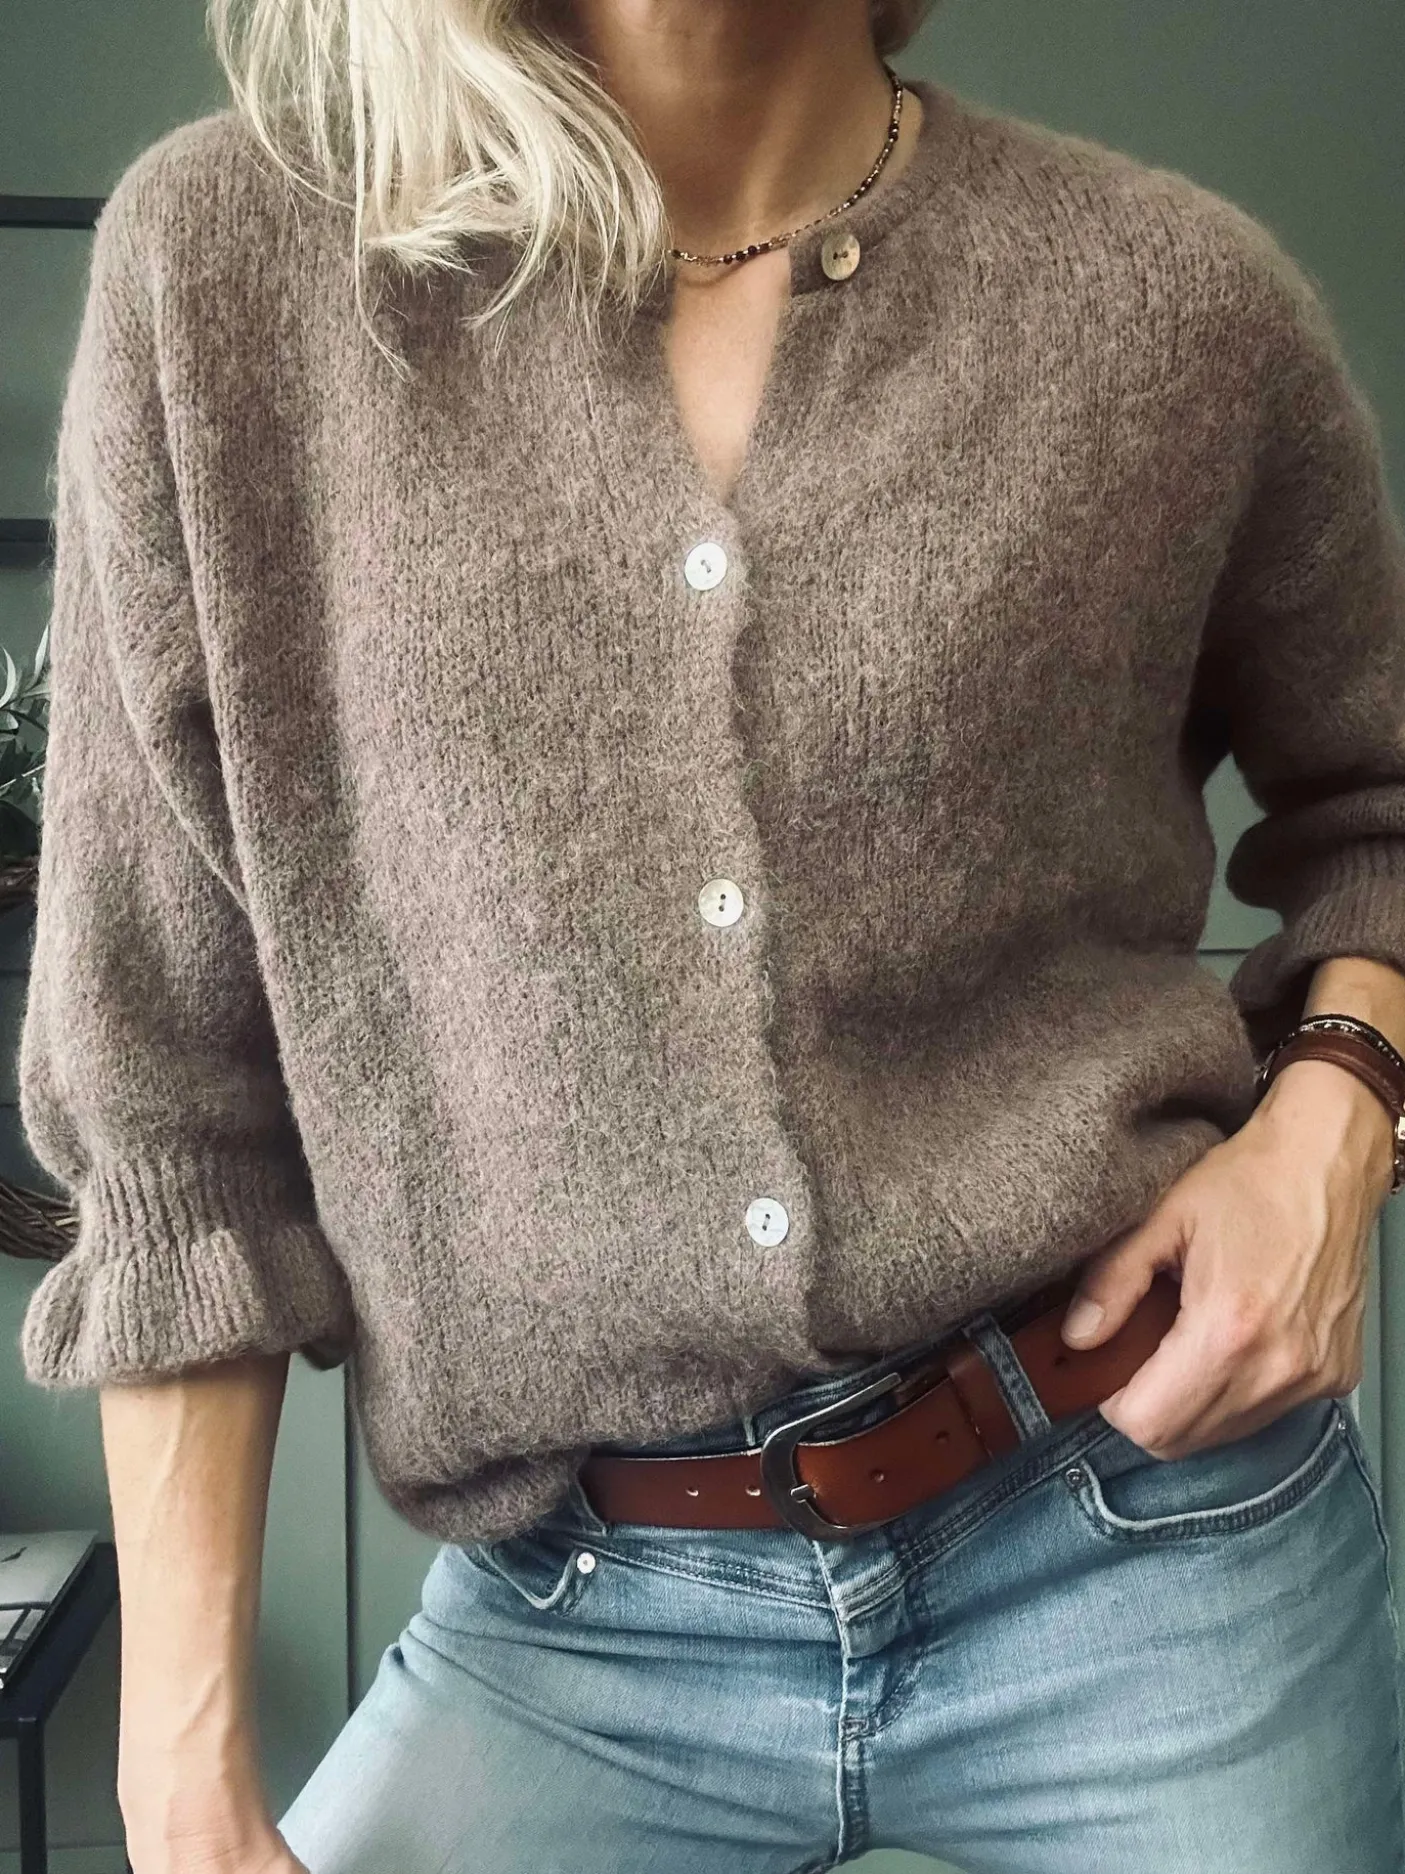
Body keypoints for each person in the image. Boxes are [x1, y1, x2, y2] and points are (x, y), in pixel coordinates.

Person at [16, 0, 1405, 1868]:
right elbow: (166, 1092)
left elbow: (1381, 803)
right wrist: (182, 1764)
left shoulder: (1172, 306)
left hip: (1140, 1525)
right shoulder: (228, 274)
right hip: (576, 1612)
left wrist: (1332, 1126)